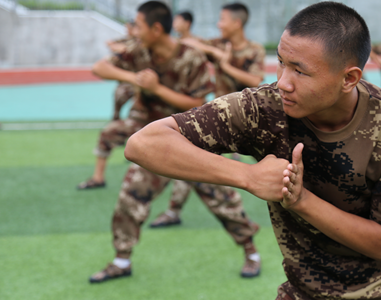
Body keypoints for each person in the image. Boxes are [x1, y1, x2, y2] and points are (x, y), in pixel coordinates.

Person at [125, 2, 381, 299]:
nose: (283, 81)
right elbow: (144, 143)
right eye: (281, 63)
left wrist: (299, 200)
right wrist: (247, 175)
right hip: (310, 290)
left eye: (300, 70)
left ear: (349, 78)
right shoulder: (264, 107)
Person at [87, 1, 261, 283]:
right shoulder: (139, 51)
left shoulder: (191, 57)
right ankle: (121, 260)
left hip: (192, 141)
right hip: (155, 144)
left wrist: (157, 89)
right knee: (131, 196)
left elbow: (196, 103)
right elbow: (100, 67)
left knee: (223, 201)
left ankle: (251, 253)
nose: (135, 30)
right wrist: (136, 79)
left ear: (156, 28)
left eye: (139, 25)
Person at [149, 2, 266, 228]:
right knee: (192, 159)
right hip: (222, 118)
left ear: (236, 23)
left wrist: (224, 63)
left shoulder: (254, 50)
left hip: (251, 118)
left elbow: (254, 81)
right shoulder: (218, 44)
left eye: (222, 20)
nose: (218, 24)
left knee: (274, 159)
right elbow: (191, 43)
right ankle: (174, 211)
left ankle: (298, 198)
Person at [106, 20, 138, 121]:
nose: (127, 31)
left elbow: (125, 49)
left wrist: (121, 49)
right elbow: (112, 44)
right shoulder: (126, 40)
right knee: (119, 93)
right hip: (129, 80)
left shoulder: (140, 42)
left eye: (129, 28)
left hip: (140, 81)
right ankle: (116, 117)